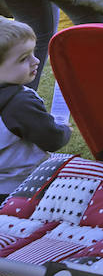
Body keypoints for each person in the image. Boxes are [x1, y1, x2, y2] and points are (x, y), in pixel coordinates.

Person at [0, 19, 71, 198]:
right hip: (26, 183)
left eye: (33, 53)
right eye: (24, 58)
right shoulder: (20, 102)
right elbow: (51, 138)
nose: (36, 60)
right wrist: (64, 130)